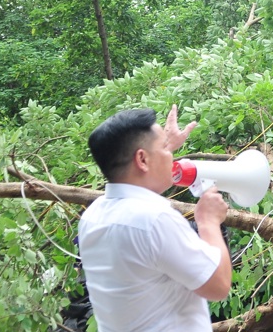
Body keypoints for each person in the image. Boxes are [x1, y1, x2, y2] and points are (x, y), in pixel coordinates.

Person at [78, 105, 232, 331]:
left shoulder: (93, 215)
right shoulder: (155, 220)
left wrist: (158, 148)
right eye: (165, 148)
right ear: (142, 159)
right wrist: (208, 222)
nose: (171, 155)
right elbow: (218, 286)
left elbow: (140, 188)